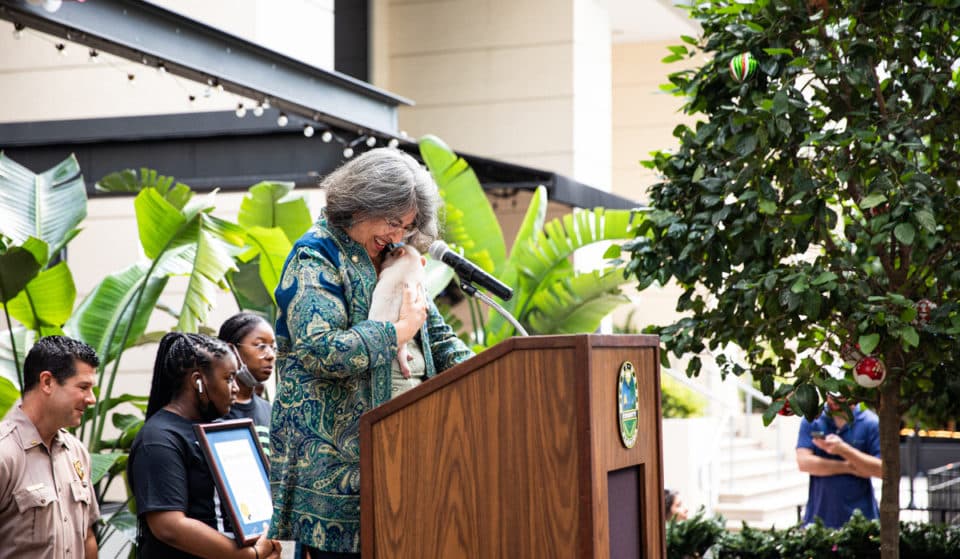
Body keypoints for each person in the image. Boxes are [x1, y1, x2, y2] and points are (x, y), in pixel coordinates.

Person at [268, 148, 474, 558]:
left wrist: (496, 373)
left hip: (411, 460)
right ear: (362, 203)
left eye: (408, 226)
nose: (398, 236)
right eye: (393, 222)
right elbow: (322, 351)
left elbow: (439, 339)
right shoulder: (314, 256)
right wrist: (398, 331)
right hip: (337, 476)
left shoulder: (396, 259)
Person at [128, 332, 282, 559]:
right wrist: (250, 556)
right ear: (198, 382)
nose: (235, 388)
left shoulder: (219, 430)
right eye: (228, 378)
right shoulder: (159, 439)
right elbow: (169, 526)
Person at [0, 336, 100, 559]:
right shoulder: (5, 453)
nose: (91, 399)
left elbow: (88, 537)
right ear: (47, 382)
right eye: (83, 387)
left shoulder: (76, 451)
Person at [796, 393, 882, 528]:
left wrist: (844, 450)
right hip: (818, 520)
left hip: (862, 522)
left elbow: (881, 470)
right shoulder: (813, 419)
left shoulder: (870, 422)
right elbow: (804, 462)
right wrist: (850, 467)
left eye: (840, 395)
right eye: (829, 394)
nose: (832, 400)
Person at [218, 312, 276, 454]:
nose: (270, 356)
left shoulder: (269, 410)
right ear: (231, 350)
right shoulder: (213, 412)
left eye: (273, 347)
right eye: (260, 346)